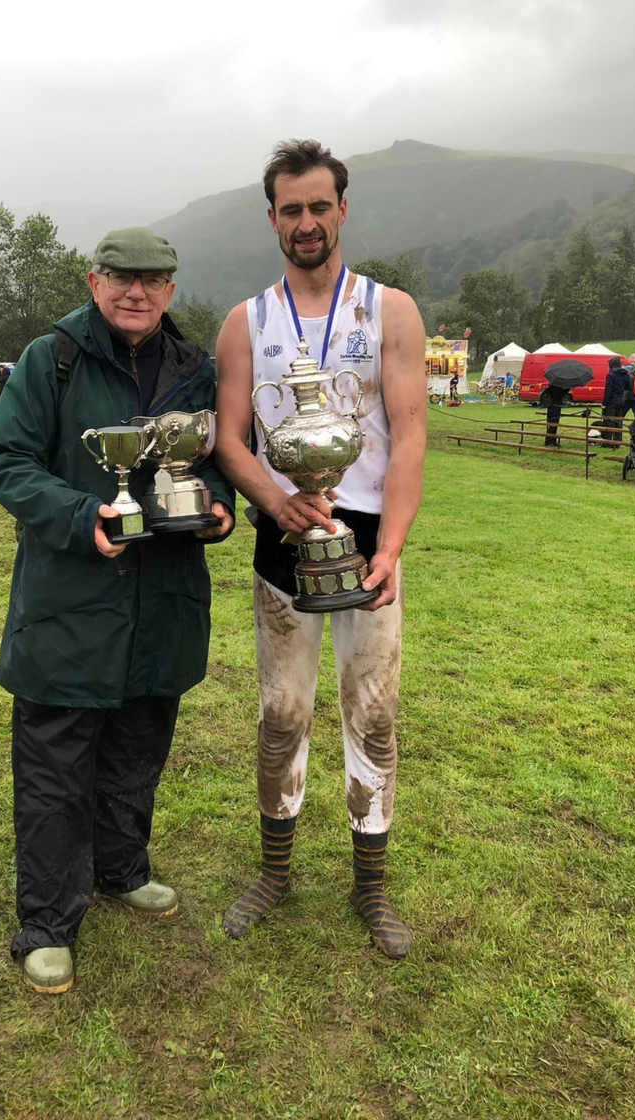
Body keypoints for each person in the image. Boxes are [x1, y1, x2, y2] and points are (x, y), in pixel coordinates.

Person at [0, 227, 235, 994]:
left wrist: (216, 507)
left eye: (153, 280)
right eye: (121, 278)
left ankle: (122, 870)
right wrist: (78, 515)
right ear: (93, 282)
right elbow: (6, 461)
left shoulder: (195, 369)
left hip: (163, 605)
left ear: (171, 290)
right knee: (56, 768)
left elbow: (219, 463)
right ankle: (48, 922)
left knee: (136, 753)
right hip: (71, 604)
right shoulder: (49, 359)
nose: (136, 292)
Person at [214, 139, 426, 960]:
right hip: (282, 538)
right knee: (280, 715)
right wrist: (276, 500)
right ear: (272, 218)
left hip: (369, 542)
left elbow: (408, 437)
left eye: (318, 206)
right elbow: (231, 441)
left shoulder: (390, 310)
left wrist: (393, 545)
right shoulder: (247, 321)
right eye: (289, 209)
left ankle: (369, 889)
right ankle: (275, 874)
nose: (305, 222)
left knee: (371, 715)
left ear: (342, 209)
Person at [602, 357, 628, 449]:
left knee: (609, 420)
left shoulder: (611, 374)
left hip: (612, 401)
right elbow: (627, 386)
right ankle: (618, 442)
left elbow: (608, 390)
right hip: (621, 399)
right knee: (618, 421)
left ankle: (608, 441)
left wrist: (604, 403)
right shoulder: (625, 374)